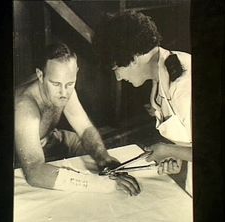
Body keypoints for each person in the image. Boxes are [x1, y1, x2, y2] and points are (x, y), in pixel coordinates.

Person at [15, 41, 140, 196]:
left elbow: (84, 128)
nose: (63, 92)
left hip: (53, 138)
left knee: (106, 157)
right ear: (41, 75)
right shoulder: (25, 108)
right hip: (22, 156)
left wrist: (103, 158)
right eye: (55, 84)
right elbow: (34, 172)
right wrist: (103, 184)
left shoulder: (63, 87)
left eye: (70, 84)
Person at [93, 11, 193, 195]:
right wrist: (175, 154)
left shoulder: (184, 85)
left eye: (116, 68)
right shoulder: (160, 78)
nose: (118, 77)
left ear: (134, 57)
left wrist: (167, 149)